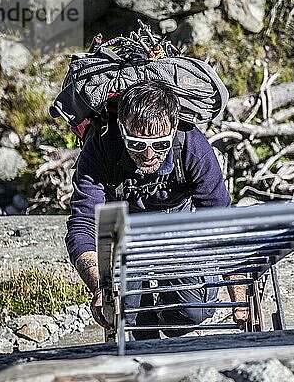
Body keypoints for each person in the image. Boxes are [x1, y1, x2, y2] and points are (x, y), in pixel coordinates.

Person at [65, 80, 248, 339]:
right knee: (124, 310)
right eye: (137, 144)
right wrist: (100, 288)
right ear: (121, 127)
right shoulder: (101, 148)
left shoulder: (193, 147)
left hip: (177, 223)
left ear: (173, 129)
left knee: (192, 311)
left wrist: (239, 299)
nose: (149, 154)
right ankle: (143, 332)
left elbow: (220, 219)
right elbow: (83, 222)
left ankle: (169, 315)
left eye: (160, 144)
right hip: (124, 227)